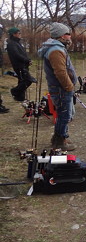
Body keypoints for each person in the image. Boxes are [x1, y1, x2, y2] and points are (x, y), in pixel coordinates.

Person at [37, 23, 76, 151]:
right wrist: (69, 86)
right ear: (61, 36)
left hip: (62, 88)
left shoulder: (58, 48)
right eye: (67, 34)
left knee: (64, 114)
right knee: (64, 115)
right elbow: (60, 72)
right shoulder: (56, 50)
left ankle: (61, 137)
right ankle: (59, 142)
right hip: (61, 88)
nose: (70, 36)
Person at [6, 27, 36, 101]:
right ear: (14, 34)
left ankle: (20, 97)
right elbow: (17, 55)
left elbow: (23, 53)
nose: (20, 34)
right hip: (19, 66)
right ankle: (14, 91)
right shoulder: (11, 44)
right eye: (18, 33)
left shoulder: (17, 43)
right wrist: (26, 60)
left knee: (22, 80)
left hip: (23, 65)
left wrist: (28, 60)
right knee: (28, 80)